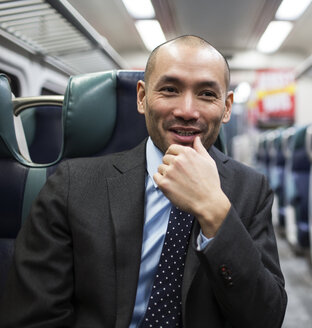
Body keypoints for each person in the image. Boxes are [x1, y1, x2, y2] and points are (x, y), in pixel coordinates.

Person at [0, 35, 287, 328]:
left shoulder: (251, 190)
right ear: (142, 97)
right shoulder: (72, 185)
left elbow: (265, 317)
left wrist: (215, 211)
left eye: (206, 94)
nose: (187, 110)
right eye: (170, 89)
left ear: (226, 108)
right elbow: (34, 317)